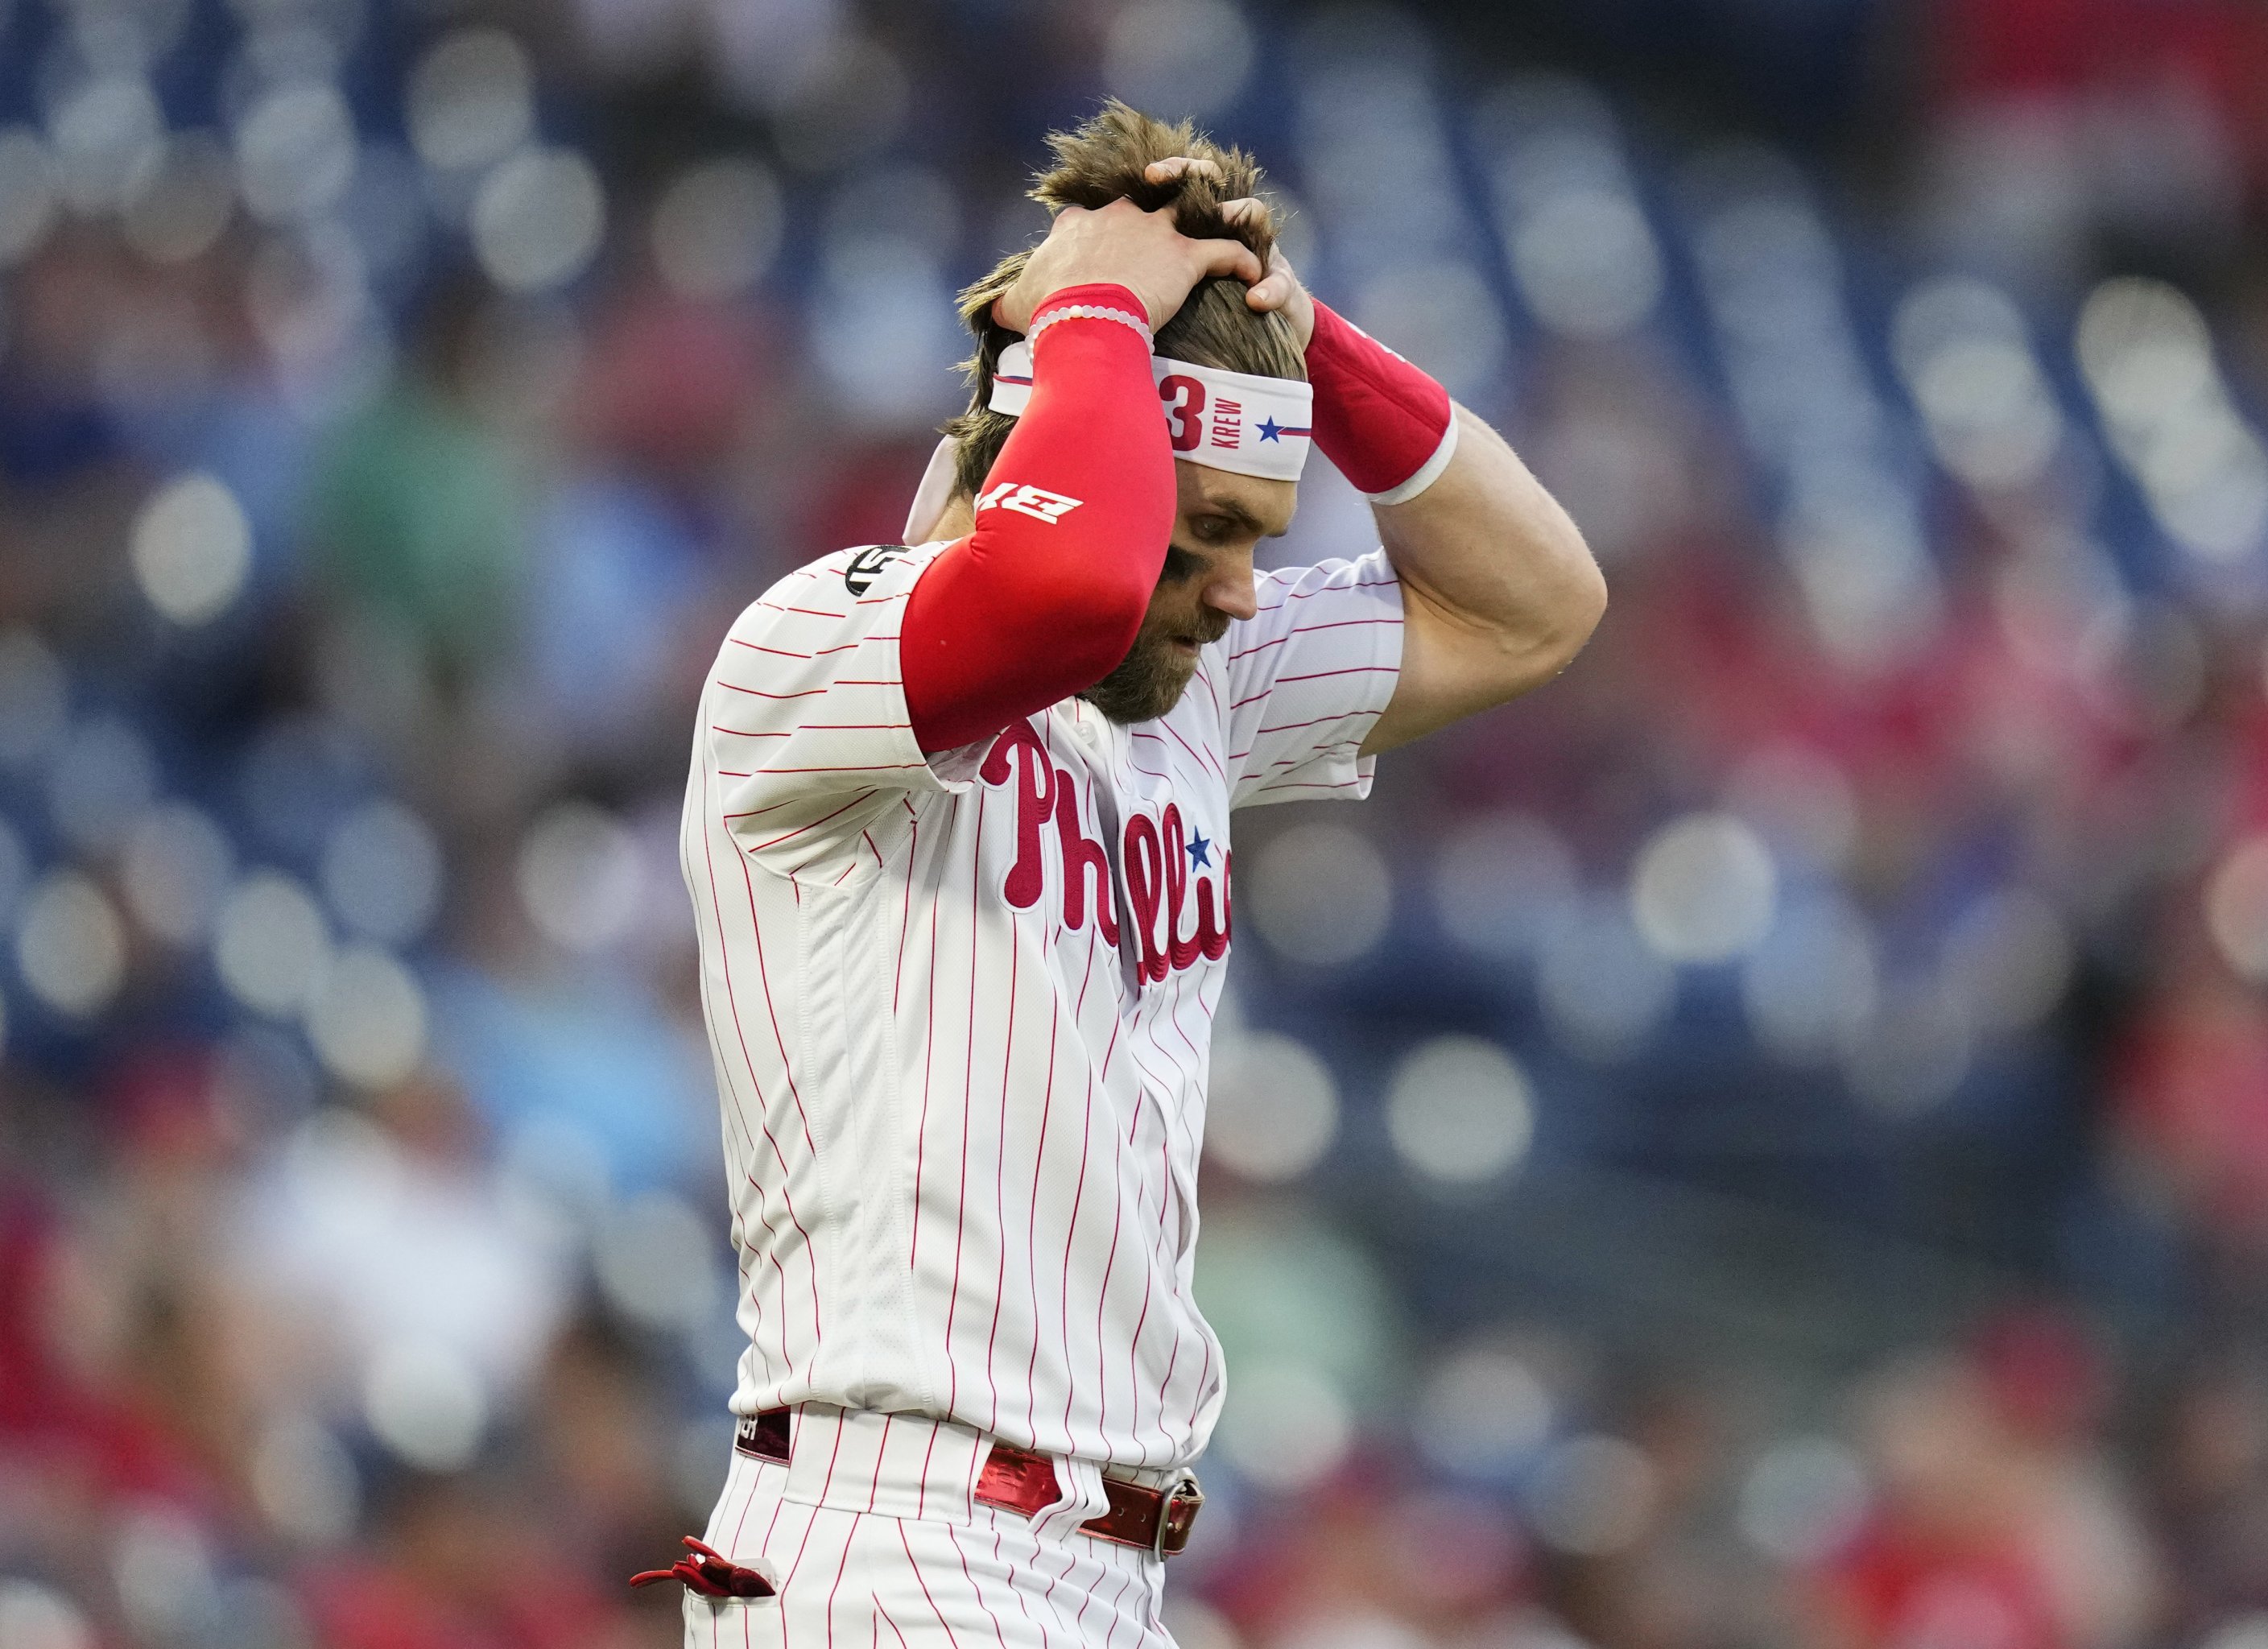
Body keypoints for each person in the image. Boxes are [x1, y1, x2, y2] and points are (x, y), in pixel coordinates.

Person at [654, 101, 1605, 1644]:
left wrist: (1296, 332)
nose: (1244, 593)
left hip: (1102, 1567)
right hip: (894, 1538)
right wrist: (1094, 309)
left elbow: (1537, 603)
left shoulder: (1188, 696)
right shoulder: (814, 647)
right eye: (1213, 529)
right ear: (1066, 444)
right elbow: (1063, 587)